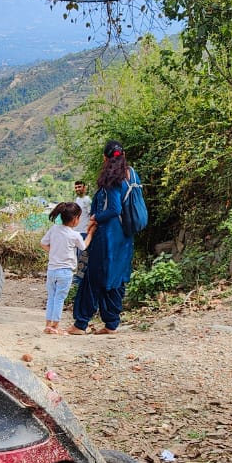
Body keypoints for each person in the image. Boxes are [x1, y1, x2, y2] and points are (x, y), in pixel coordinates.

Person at [69, 141, 135, 335]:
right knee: (114, 280)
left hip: (107, 239)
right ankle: (111, 323)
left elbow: (114, 209)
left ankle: (80, 324)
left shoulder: (111, 179)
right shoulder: (131, 175)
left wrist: (95, 218)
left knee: (92, 279)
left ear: (105, 158)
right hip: (125, 238)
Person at [40, 202, 95, 335]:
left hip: (52, 270)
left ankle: (48, 324)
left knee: (52, 298)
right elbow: (83, 246)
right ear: (75, 218)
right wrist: (91, 233)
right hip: (65, 272)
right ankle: (55, 326)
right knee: (59, 298)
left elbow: (43, 243)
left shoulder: (54, 229)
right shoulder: (74, 235)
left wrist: (54, 252)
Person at [73, 179, 92, 284]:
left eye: (79, 187)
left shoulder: (87, 200)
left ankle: (81, 279)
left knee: (83, 256)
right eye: (76, 187)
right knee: (77, 256)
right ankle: (79, 277)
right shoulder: (77, 200)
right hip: (76, 232)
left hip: (85, 231)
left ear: (84, 188)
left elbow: (91, 215)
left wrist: (90, 231)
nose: (77, 189)